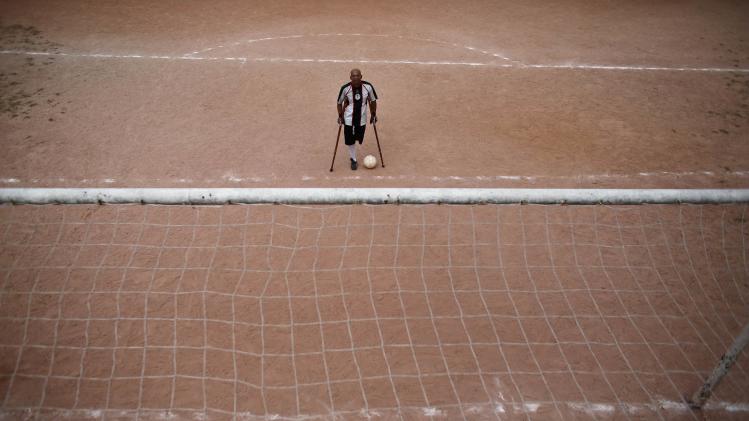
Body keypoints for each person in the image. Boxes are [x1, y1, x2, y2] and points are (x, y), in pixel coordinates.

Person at [336, 69, 378, 170]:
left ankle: (355, 142)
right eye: (353, 76)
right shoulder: (345, 88)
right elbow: (339, 103)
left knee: (359, 138)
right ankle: (353, 159)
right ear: (350, 77)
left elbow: (373, 100)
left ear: (361, 76)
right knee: (350, 140)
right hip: (348, 118)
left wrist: (373, 114)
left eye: (357, 76)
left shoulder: (368, 87)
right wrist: (340, 116)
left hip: (361, 119)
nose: (355, 78)